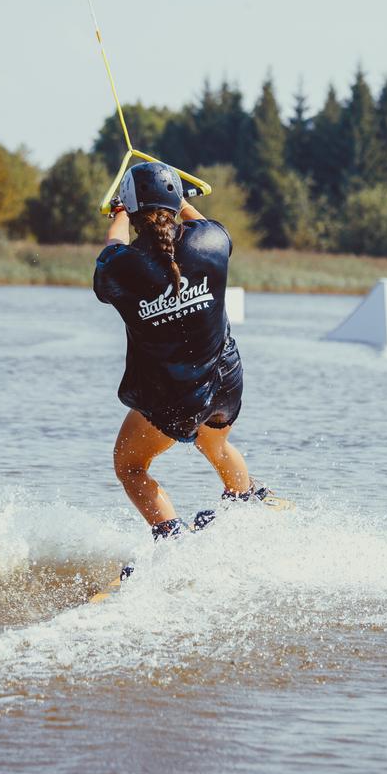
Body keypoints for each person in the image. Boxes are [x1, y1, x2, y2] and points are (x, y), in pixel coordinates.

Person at [93, 161, 270, 552]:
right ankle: (245, 501)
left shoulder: (119, 269)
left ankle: (172, 540)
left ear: (131, 210)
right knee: (216, 444)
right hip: (227, 383)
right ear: (176, 203)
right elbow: (202, 223)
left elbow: (111, 249)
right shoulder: (212, 241)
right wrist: (178, 194)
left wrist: (119, 213)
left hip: (174, 399)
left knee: (130, 465)